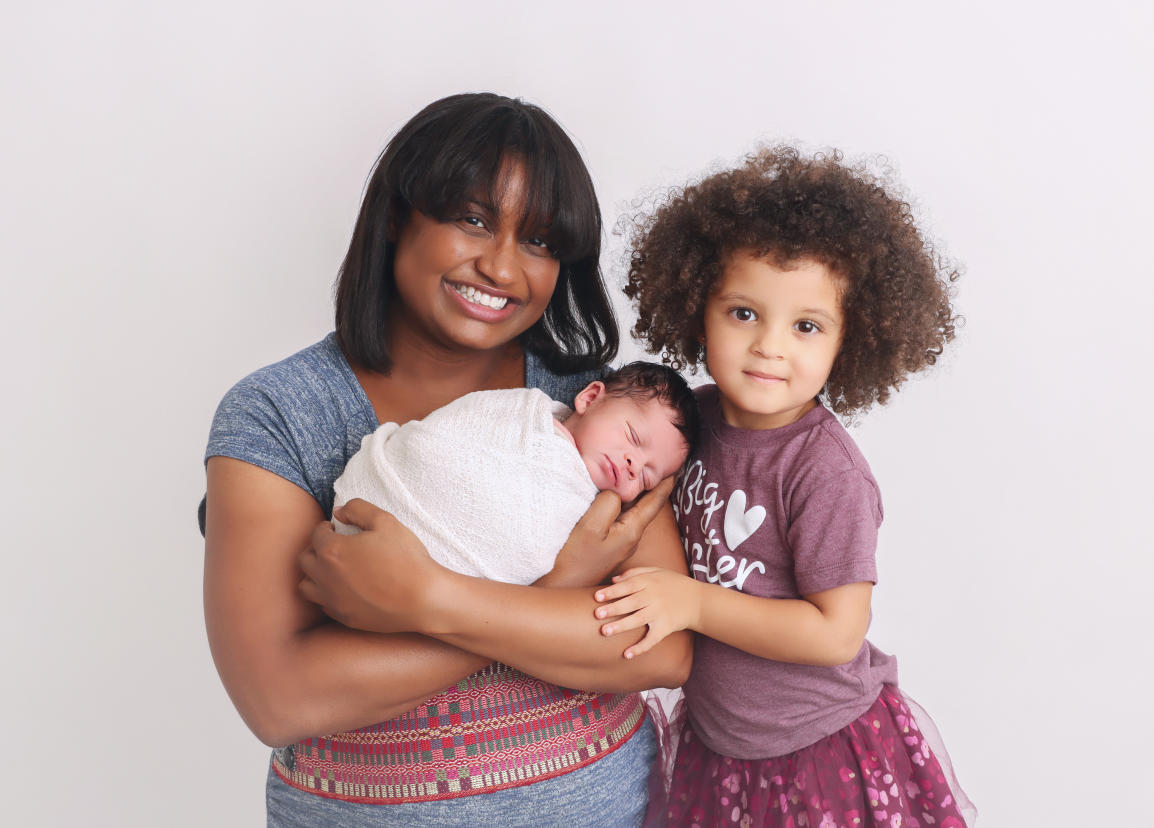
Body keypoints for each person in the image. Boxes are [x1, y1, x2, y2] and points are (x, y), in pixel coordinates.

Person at [202, 93, 692, 827]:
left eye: (539, 242)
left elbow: (661, 648)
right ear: (397, 216)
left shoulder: (600, 410)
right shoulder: (280, 412)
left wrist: (424, 598)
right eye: (473, 219)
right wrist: (561, 589)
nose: (500, 267)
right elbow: (281, 698)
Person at [594, 147, 977, 826]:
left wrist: (693, 603)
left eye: (805, 326)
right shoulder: (690, 424)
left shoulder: (825, 470)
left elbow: (835, 634)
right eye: (744, 313)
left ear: (847, 342)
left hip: (817, 754)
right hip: (718, 750)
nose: (771, 346)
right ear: (696, 310)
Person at [332, 361, 699, 584]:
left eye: (647, 477)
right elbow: (432, 448)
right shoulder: (520, 415)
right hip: (381, 510)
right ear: (589, 398)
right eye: (632, 437)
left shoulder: (595, 514)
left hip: (445, 595)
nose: (633, 464)